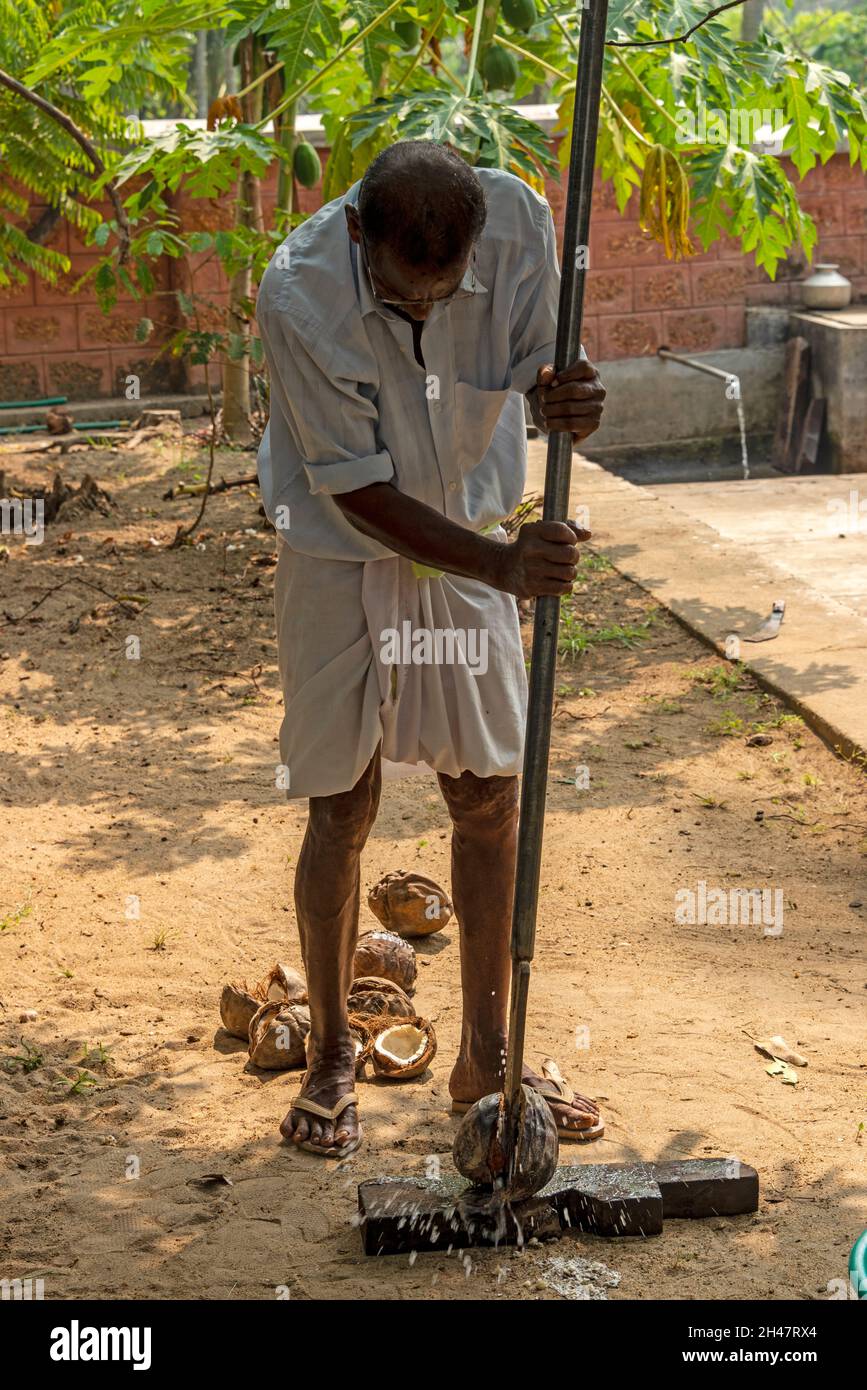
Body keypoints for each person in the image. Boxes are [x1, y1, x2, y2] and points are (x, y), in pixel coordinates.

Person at [257, 139, 606, 1158]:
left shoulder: (522, 225)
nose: (420, 317)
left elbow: (547, 369)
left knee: (488, 799)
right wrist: (502, 567)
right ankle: (330, 1048)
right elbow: (358, 492)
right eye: (400, 300)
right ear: (357, 230)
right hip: (335, 547)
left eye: (440, 299)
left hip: (468, 530)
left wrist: (567, 399)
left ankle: (486, 1057)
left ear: (478, 244)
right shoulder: (300, 294)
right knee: (342, 801)